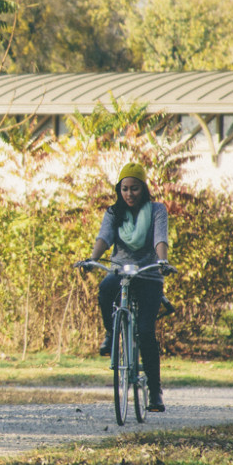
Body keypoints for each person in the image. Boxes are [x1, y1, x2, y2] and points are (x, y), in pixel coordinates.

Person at [82, 161, 173, 412]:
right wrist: (92, 258)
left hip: (149, 275)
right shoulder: (114, 212)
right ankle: (111, 333)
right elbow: (104, 237)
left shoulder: (157, 210)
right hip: (120, 271)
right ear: (118, 190)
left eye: (134, 188)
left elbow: (160, 238)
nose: (129, 194)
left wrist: (162, 261)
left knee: (145, 331)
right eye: (125, 189)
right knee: (104, 290)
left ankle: (155, 393)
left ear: (143, 188)